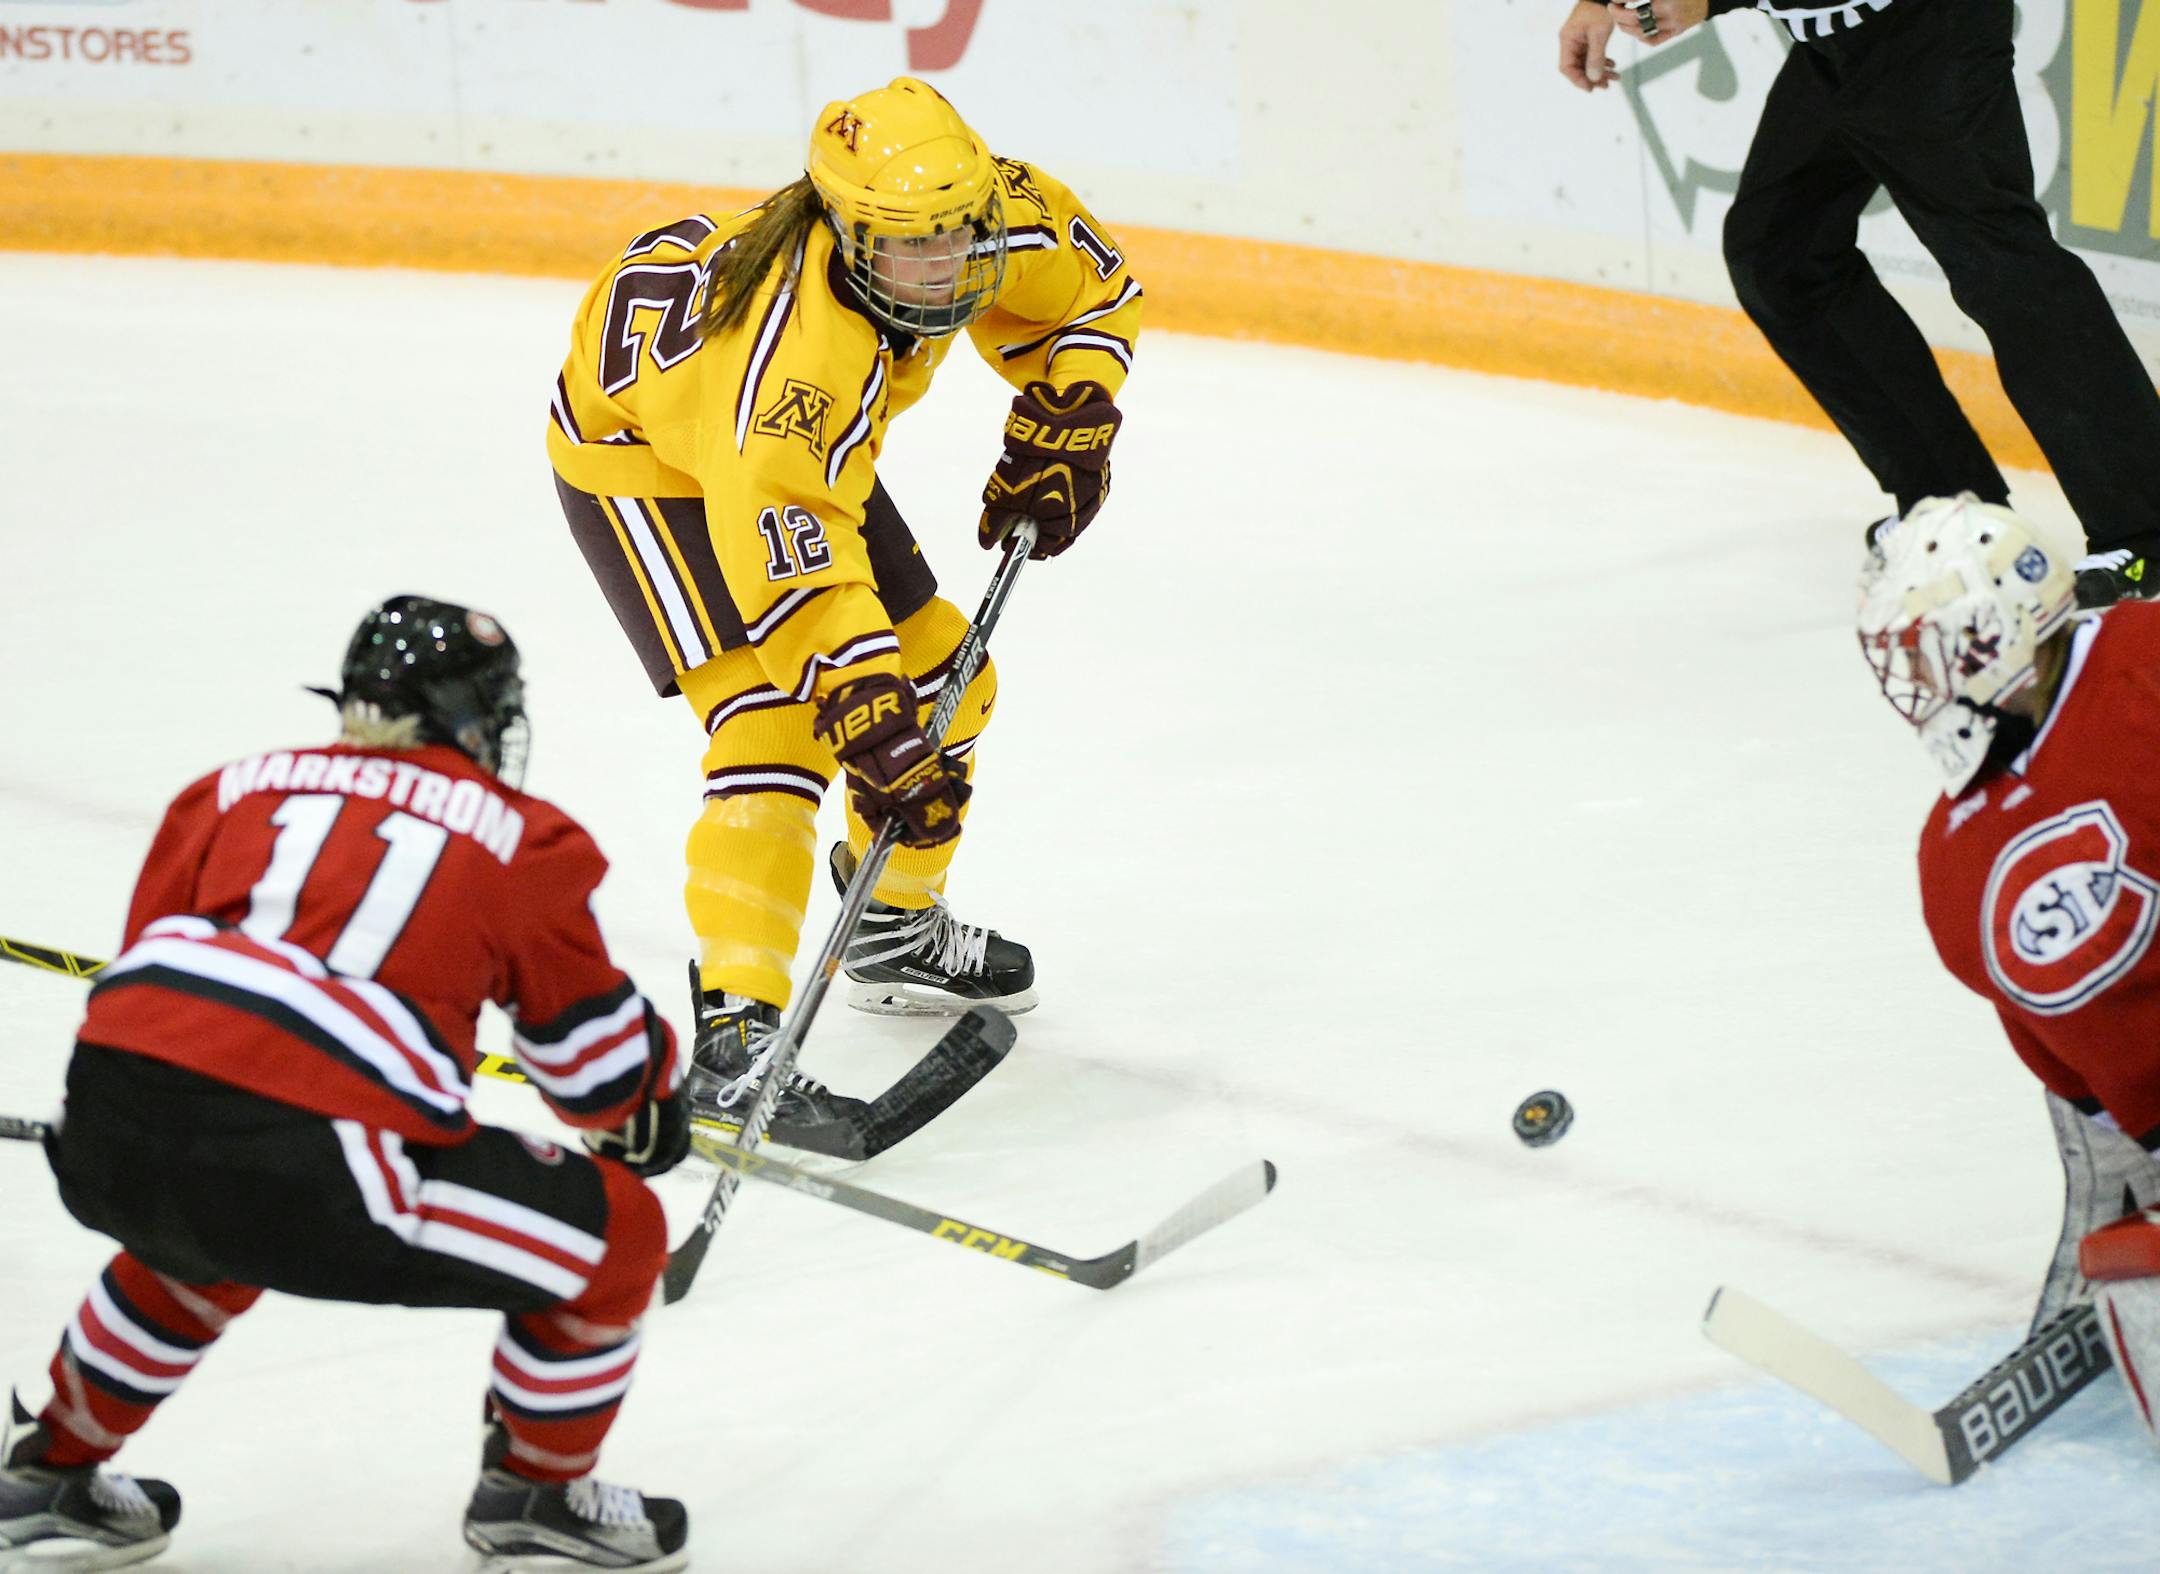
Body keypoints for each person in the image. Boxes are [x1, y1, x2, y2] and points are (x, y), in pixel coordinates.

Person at [0, 597, 693, 1572]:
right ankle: (536, 1494)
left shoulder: (228, 789)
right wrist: (651, 1110)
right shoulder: (518, 836)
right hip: (317, 1169)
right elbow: (599, 1074)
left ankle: (46, 1472)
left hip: (112, 1123)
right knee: (620, 1234)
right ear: (472, 717)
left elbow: (148, 980)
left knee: (196, 1223)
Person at [547, 77, 1141, 1141]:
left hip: (803, 467)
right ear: (843, 227)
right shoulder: (788, 369)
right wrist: (861, 702)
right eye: (912, 248)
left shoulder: (977, 212)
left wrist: (1073, 404)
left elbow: (1093, 288)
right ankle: (736, 1042)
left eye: (957, 238)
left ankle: (890, 926)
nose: (945, 266)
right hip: (652, 466)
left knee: (955, 684)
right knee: (778, 727)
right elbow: (793, 566)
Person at [1560, 0, 2160, 608]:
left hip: (1929, 30)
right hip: (1836, 39)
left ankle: (2148, 532)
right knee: (1779, 252)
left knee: (1999, 263)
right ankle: (1947, 501)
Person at [1857, 494, 2160, 1444]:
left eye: (1928, 647)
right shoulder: (1962, 862)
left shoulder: (2146, 667)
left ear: (1998, 631)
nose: (1911, 679)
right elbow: (2070, 1059)